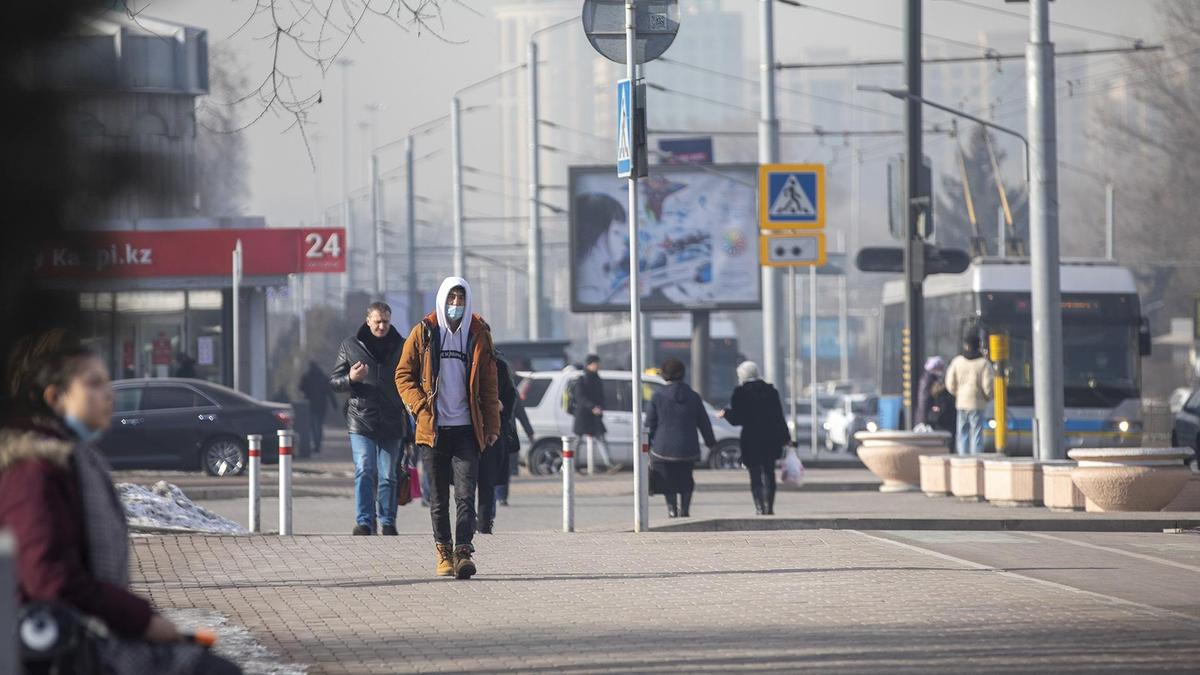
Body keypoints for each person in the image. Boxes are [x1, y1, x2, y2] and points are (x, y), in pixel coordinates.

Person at [0, 331, 242, 675]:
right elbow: (49, 578)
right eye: (94, 384)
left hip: (82, 634)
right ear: (55, 397)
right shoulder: (34, 470)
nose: (109, 394)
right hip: (52, 646)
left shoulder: (74, 458)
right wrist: (142, 621)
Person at [395, 277, 500, 580]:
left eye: (461, 299)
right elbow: (403, 374)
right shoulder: (425, 332)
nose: (456, 305)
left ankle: (463, 551)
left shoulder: (478, 333)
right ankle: (444, 551)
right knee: (438, 498)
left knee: (466, 495)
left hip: (467, 429)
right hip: (434, 430)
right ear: (442, 300)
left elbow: (489, 386)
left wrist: (491, 425)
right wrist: (418, 405)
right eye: (451, 299)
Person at [330, 302, 411, 536]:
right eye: (377, 321)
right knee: (365, 468)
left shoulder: (402, 346)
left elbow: (411, 380)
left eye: (386, 321)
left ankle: (387, 521)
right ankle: (364, 521)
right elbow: (334, 382)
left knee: (388, 474)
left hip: (392, 419)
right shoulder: (351, 345)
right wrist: (351, 378)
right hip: (361, 418)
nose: (382, 326)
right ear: (368, 321)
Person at [717, 361, 792, 516]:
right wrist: (786, 438)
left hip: (751, 438)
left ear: (742, 376)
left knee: (755, 473)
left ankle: (759, 507)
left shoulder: (740, 393)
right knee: (769, 472)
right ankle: (769, 506)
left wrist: (726, 413)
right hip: (771, 438)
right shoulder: (772, 391)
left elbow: (737, 419)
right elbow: (779, 417)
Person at [646, 358, 716, 518]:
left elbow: (650, 423)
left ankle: (672, 509)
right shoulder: (693, 396)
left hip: (663, 448)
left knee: (667, 480)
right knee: (686, 478)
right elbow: (703, 422)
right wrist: (710, 442)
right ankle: (685, 510)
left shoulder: (657, 396)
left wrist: (646, 443)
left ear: (664, 375)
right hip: (688, 447)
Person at [477, 354, 520, 534]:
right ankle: (468, 520)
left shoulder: (499, 365)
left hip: (493, 431)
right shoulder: (461, 360)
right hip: (466, 429)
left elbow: (511, 396)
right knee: (466, 482)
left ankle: (486, 522)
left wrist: (502, 407)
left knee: (488, 480)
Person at [945, 334, 995, 455]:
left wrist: (957, 393)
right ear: (978, 346)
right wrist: (988, 397)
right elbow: (987, 386)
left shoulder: (957, 362)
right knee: (977, 432)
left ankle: (963, 459)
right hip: (977, 403)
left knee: (962, 432)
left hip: (961, 402)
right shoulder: (983, 364)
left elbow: (950, 383)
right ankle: (975, 459)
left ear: (965, 345)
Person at [573, 354, 620, 473]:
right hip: (583, 415)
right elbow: (579, 397)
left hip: (595, 415)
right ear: (590, 364)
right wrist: (592, 407)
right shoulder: (582, 378)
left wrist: (601, 408)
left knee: (601, 438)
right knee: (577, 441)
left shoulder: (597, 378)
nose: (598, 366)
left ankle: (609, 464)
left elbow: (600, 396)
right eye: (596, 363)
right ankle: (571, 465)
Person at [496, 390, 534, 507]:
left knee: (504, 467)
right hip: (487, 431)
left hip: (506, 433)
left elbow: (520, 412)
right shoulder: (483, 382)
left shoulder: (510, 390)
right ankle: (493, 495)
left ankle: (502, 496)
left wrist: (529, 432)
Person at [299, 360, 337, 454]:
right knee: (319, 426)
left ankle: (315, 444)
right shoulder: (323, 377)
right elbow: (330, 392)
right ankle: (318, 444)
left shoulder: (307, 376)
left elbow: (301, 387)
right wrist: (334, 404)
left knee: (312, 426)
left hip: (310, 405)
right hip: (322, 405)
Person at [916, 356, 956, 435]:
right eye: (940, 368)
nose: (942, 370)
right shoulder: (928, 380)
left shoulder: (930, 378)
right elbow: (923, 401)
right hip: (929, 418)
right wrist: (923, 420)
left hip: (930, 417)